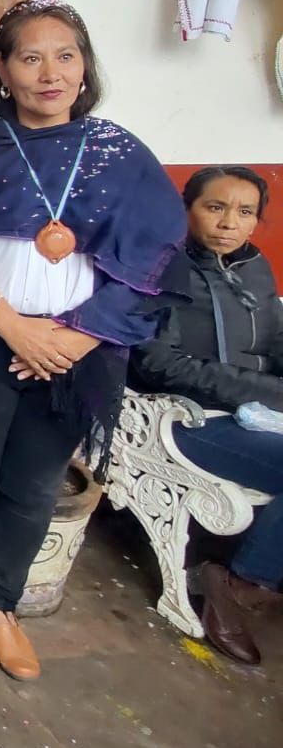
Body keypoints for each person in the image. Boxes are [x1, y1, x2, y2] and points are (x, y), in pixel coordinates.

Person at [0, 0, 185, 680]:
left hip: (75, 348)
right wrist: (12, 326)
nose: (50, 73)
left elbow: (154, 263)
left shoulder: (118, 154)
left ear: (84, 66)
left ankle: (1, 604)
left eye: (65, 56)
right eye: (30, 57)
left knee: (34, 481)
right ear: (2, 69)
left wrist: (73, 338)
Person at [131, 165, 283, 665]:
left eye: (245, 212)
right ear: (187, 208)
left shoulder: (254, 266)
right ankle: (240, 583)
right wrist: (269, 390)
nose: (229, 223)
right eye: (215, 207)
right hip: (191, 418)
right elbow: (159, 365)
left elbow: (275, 339)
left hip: (260, 412)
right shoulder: (160, 268)